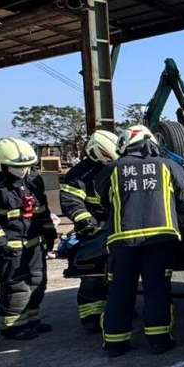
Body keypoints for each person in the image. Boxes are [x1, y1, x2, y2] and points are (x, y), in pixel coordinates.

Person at [95, 125, 184, 357]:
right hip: (160, 239)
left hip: (123, 240)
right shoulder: (169, 165)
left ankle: (116, 343)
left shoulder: (113, 169)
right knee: (156, 288)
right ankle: (159, 341)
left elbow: (102, 200)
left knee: (120, 290)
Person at [0, 138, 56, 340]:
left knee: (37, 283)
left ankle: (31, 319)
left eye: (26, 166)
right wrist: (1, 244)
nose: (23, 170)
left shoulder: (34, 182)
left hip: (34, 246)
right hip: (8, 250)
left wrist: (50, 236)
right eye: (17, 166)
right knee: (16, 288)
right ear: (3, 164)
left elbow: (42, 212)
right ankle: (12, 327)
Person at [59, 130, 119, 332]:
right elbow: (71, 202)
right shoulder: (79, 174)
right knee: (92, 276)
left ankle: (116, 308)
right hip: (92, 231)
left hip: (115, 228)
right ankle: (91, 317)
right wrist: (86, 221)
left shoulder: (117, 167)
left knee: (117, 274)